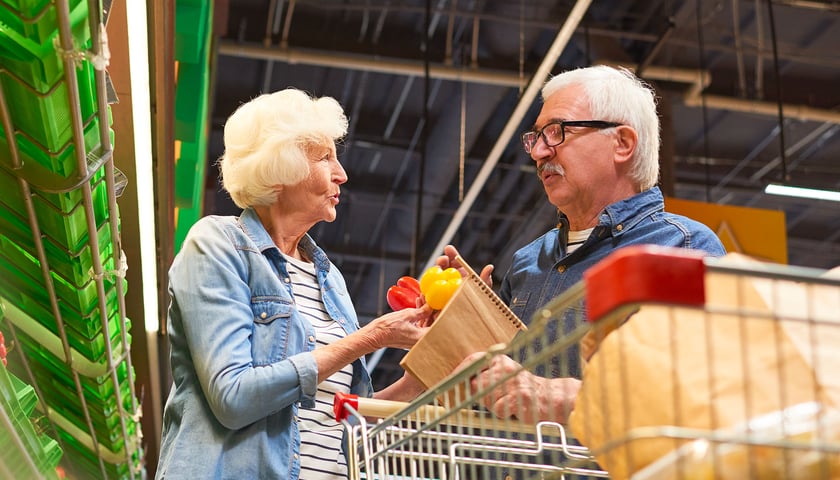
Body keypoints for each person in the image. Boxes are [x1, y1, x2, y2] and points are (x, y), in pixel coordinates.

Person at [155, 88, 433, 479]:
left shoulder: (329, 279)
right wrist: (372, 338)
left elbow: (344, 419)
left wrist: (420, 377)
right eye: (326, 158)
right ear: (280, 167)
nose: (342, 174)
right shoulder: (219, 245)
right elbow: (233, 396)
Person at [439, 65, 726, 424]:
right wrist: (472, 320)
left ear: (622, 143)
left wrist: (560, 398)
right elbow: (507, 393)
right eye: (536, 136)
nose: (539, 152)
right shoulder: (528, 261)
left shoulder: (682, 249)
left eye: (557, 132)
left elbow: (705, 391)